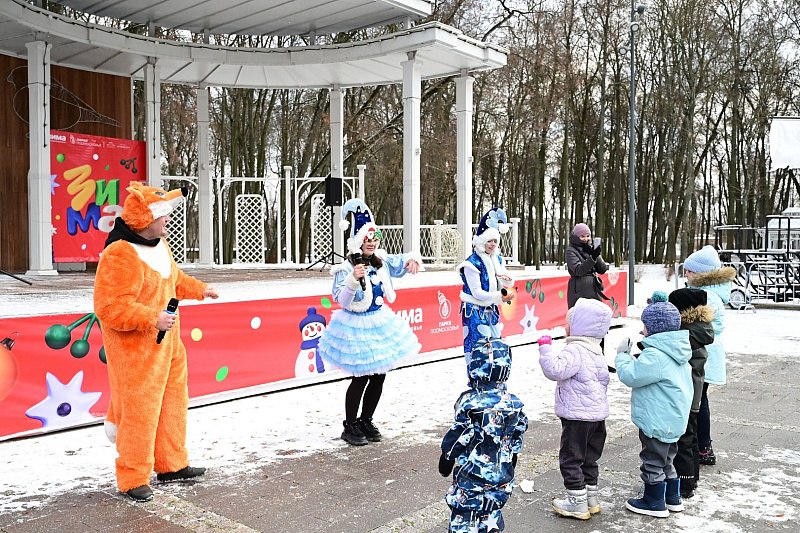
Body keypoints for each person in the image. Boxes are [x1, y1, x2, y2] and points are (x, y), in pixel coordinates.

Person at [94, 182, 219, 502]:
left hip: (169, 346)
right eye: (162, 215)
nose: (168, 220)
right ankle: (132, 477)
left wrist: (200, 289)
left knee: (173, 405)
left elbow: (175, 281)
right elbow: (110, 307)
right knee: (140, 413)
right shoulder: (119, 253)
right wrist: (152, 318)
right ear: (144, 219)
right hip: (137, 352)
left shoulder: (160, 246)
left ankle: (172, 464)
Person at [317, 199, 422, 446]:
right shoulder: (345, 268)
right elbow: (341, 300)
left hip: (378, 322)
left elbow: (401, 261)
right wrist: (353, 280)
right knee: (361, 377)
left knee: (379, 376)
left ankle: (366, 419)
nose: (372, 242)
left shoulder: (380, 260)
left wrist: (412, 260)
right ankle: (350, 425)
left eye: (375, 238)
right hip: (355, 326)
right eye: (367, 239)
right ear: (358, 241)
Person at [438, 338, 528, 533]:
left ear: (474, 366)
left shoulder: (469, 402)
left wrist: (446, 458)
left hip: (472, 476)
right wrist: (512, 458)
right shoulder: (514, 403)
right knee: (491, 515)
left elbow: (460, 433)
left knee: (464, 519)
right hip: (501, 476)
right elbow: (517, 435)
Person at [616, 292, 692, 517]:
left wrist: (622, 355)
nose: (642, 330)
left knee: (652, 461)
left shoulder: (656, 356)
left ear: (655, 329)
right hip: (673, 421)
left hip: (657, 421)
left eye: (645, 325)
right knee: (667, 460)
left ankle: (654, 501)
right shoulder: (678, 353)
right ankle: (672, 497)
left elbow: (631, 375)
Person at [537, 298, 612, 520]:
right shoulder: (596, 351)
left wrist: (545, 349)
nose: (566, 327)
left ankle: (576, 502)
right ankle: (591, 498)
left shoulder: (575, 350)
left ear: (579, 326)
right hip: (597, 417)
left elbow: (555, 370)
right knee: (589, 458)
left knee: (571, 458)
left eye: (569, 322)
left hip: (577, 417)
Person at [682, 245, 736, 466]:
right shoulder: (708, 293)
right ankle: (700, 445)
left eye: (690, 271)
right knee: (699, 400)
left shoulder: (708, 296)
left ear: (701, 274)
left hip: (703, 356)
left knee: (698, 401)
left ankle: (702, 447)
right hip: (704, 355)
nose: (686, 274)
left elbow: (707, 328)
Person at [668, 287, 715, 499]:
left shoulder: (687, 334)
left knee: (685, 440)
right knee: (692, 438)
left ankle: (685, 484)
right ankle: (692, 478)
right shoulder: (699, 329)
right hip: (694, 392)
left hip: (687, 394)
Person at [458, 207, 515, 368]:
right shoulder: (472, 263)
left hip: (491, 309)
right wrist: (499, 297)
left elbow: (502, 284)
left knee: (496, 346)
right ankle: (475, 378)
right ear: (482, 241)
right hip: (474, 310)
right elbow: (477, 293)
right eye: (490, 241)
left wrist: (507, 283)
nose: (493, 244)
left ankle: (494, 378)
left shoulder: (497, 260)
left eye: (495, 241)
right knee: (477, 348)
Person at [565, 223, 608, 309]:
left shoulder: (589, 249)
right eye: (582, 236)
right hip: (579, 292)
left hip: (593, 290)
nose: (586, 239)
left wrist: (595, 253)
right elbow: (578, 270)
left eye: (588, 236)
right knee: (581, 314)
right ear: (576, 237)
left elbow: (602, 269)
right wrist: (592, 257)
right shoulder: (570, 251)